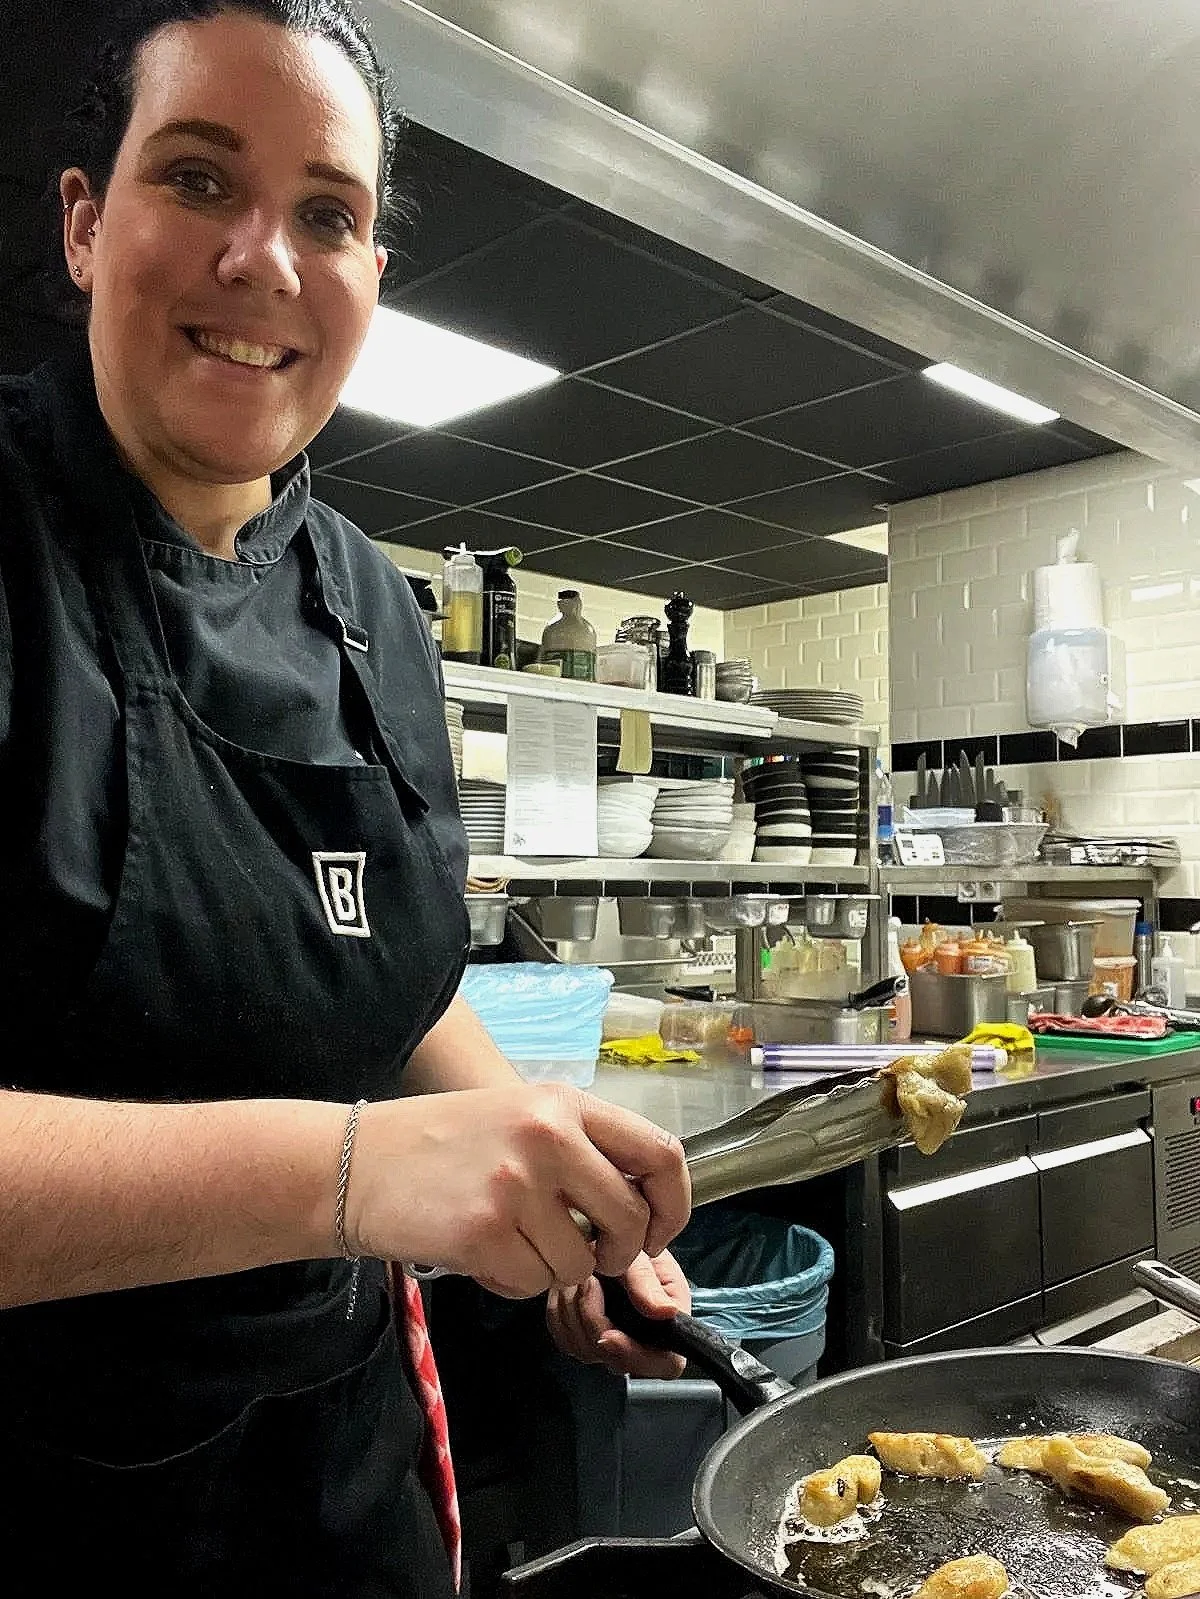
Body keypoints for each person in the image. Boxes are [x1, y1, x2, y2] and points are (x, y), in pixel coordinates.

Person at [0, 2, 692, 1593]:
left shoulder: (375, 606)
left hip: (342, 1465)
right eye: (197, 178)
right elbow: (360, 1150)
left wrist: (551, 1185)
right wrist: (358, 1172)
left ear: (371, 273)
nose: (264, 259)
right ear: (86, 223)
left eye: (327, 214)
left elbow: (399, 981)